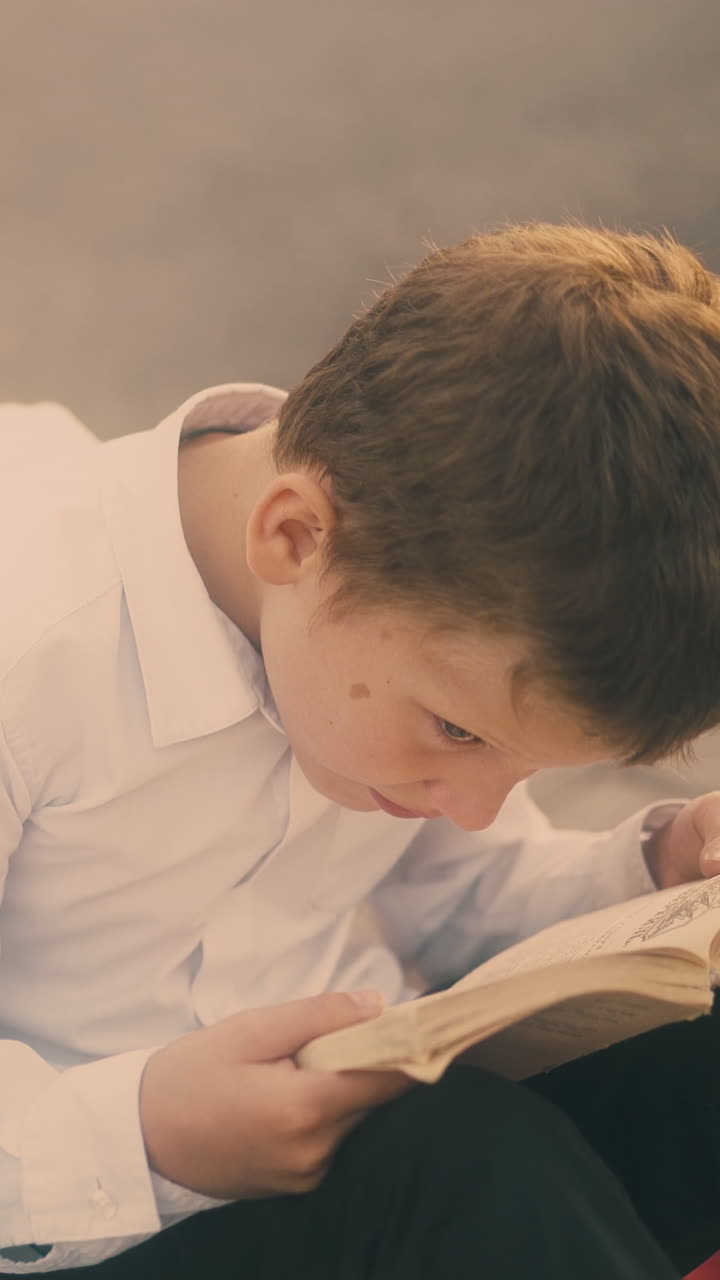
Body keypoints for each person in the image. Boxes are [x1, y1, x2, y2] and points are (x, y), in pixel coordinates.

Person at [1, 222, 720, 1279]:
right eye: (461, 732)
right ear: (292, 535)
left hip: (361, 1131)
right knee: (450, 1160)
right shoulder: (31, 635)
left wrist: (656, 870)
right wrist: (145, 1131)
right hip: (76, 1213)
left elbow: (465, 898)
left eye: (525, 768)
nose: (476, 802)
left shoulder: (395, 612)